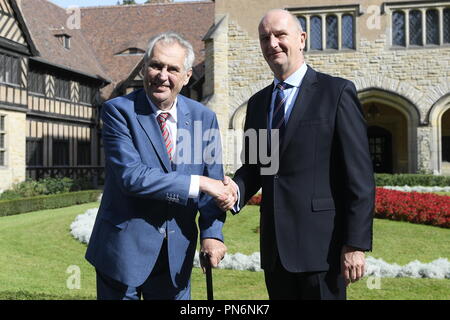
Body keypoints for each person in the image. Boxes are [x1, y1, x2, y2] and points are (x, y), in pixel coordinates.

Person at [221, 9, 375, 300]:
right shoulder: (257, 104)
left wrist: (355, 243)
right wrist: (235, 188)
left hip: (323, 251)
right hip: (276, 251)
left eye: (280, 35)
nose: (273, 44)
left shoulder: (337, 92)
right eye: (265, 38)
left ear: (301, 39)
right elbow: (257, 166)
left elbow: (360, 177)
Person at [86, 32, 236, 300]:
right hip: (122, 254)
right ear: (144, 68)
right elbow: (132, 177)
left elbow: (214, 182)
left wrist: (213, 234)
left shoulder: (204, 118)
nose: (162, 75)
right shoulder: (118, 111)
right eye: (156, 65)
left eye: (173, 69)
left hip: (175, 259)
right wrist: (198, 183)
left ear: (187, 76)